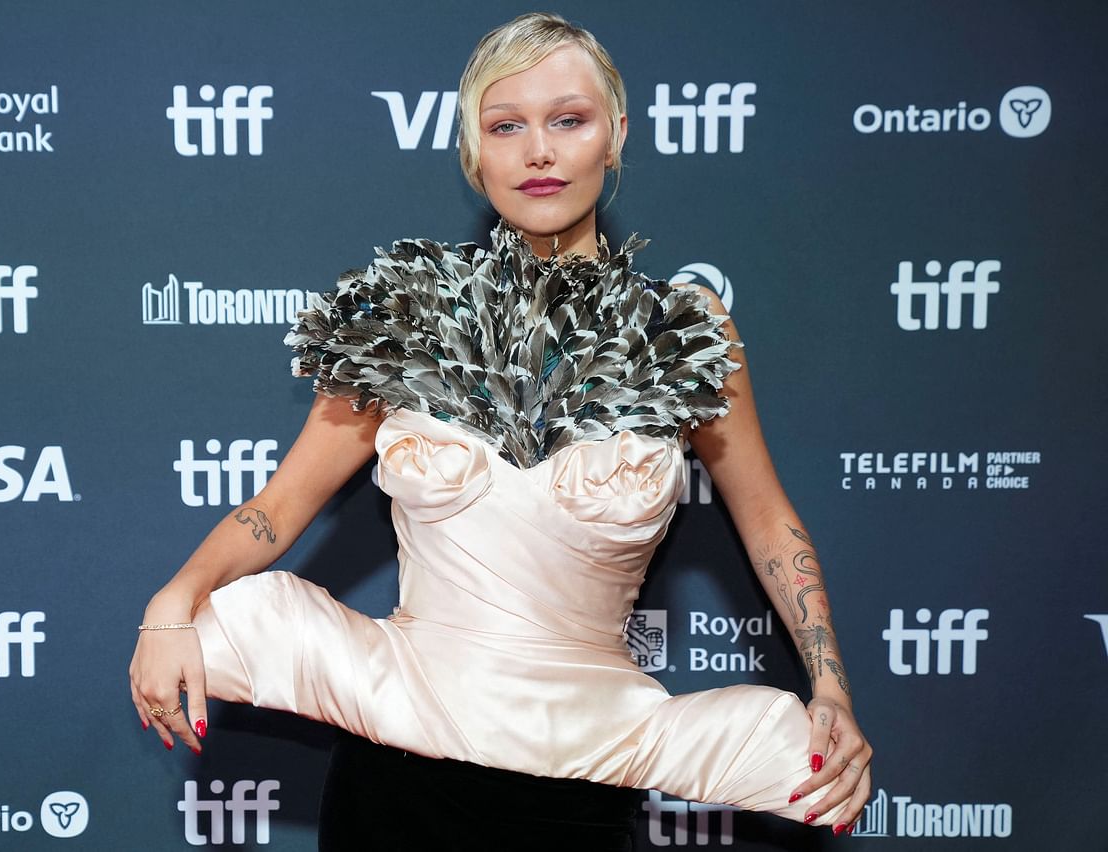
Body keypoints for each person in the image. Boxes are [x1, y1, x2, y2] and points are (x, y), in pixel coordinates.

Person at [129, 11, 872, 847]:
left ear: (615, 135)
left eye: (568, 120)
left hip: (583, 791)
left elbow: (768, 521)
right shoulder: (402, 316)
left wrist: (830, 685)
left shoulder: (684, 329)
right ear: (473, 152)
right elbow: (279, 505)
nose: (539, 152)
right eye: (506, 126)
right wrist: (171, 603)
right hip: (393, 782)